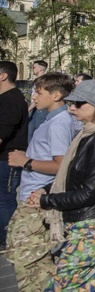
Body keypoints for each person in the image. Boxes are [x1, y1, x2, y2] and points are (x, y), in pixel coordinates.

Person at [26, 79, 95, 291]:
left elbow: (89, 193)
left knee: (62, 284)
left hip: (91, 224)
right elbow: (71, 174)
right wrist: (45, 190)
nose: (72, 107)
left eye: (80, 103)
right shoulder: (86, 133)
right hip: (85, 221)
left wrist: (47, 200)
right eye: (72, 102)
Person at [6, 73, 78, 290]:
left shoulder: (58, 123)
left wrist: (26, 161)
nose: (34, 97)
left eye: (39, 92)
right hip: (33, 193)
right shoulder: (53, 119)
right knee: (36, 258)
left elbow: (61, 165)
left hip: (38, 197)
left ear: (56, 95)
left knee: (27, 260)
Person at [0, 60, 29, 250]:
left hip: (8, 159)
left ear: (3, 76)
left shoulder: (13, 99)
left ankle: (7, 239)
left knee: (5, 198)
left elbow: (3, 132)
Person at [27, 60, 49, 142]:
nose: (32, 69)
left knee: (34, 134)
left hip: (40, 110)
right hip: (36, 109)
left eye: (34, 67)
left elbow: (39, 97)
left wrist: (28, 109)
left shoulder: (43, 81)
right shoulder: (39, 80)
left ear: (40, 69)